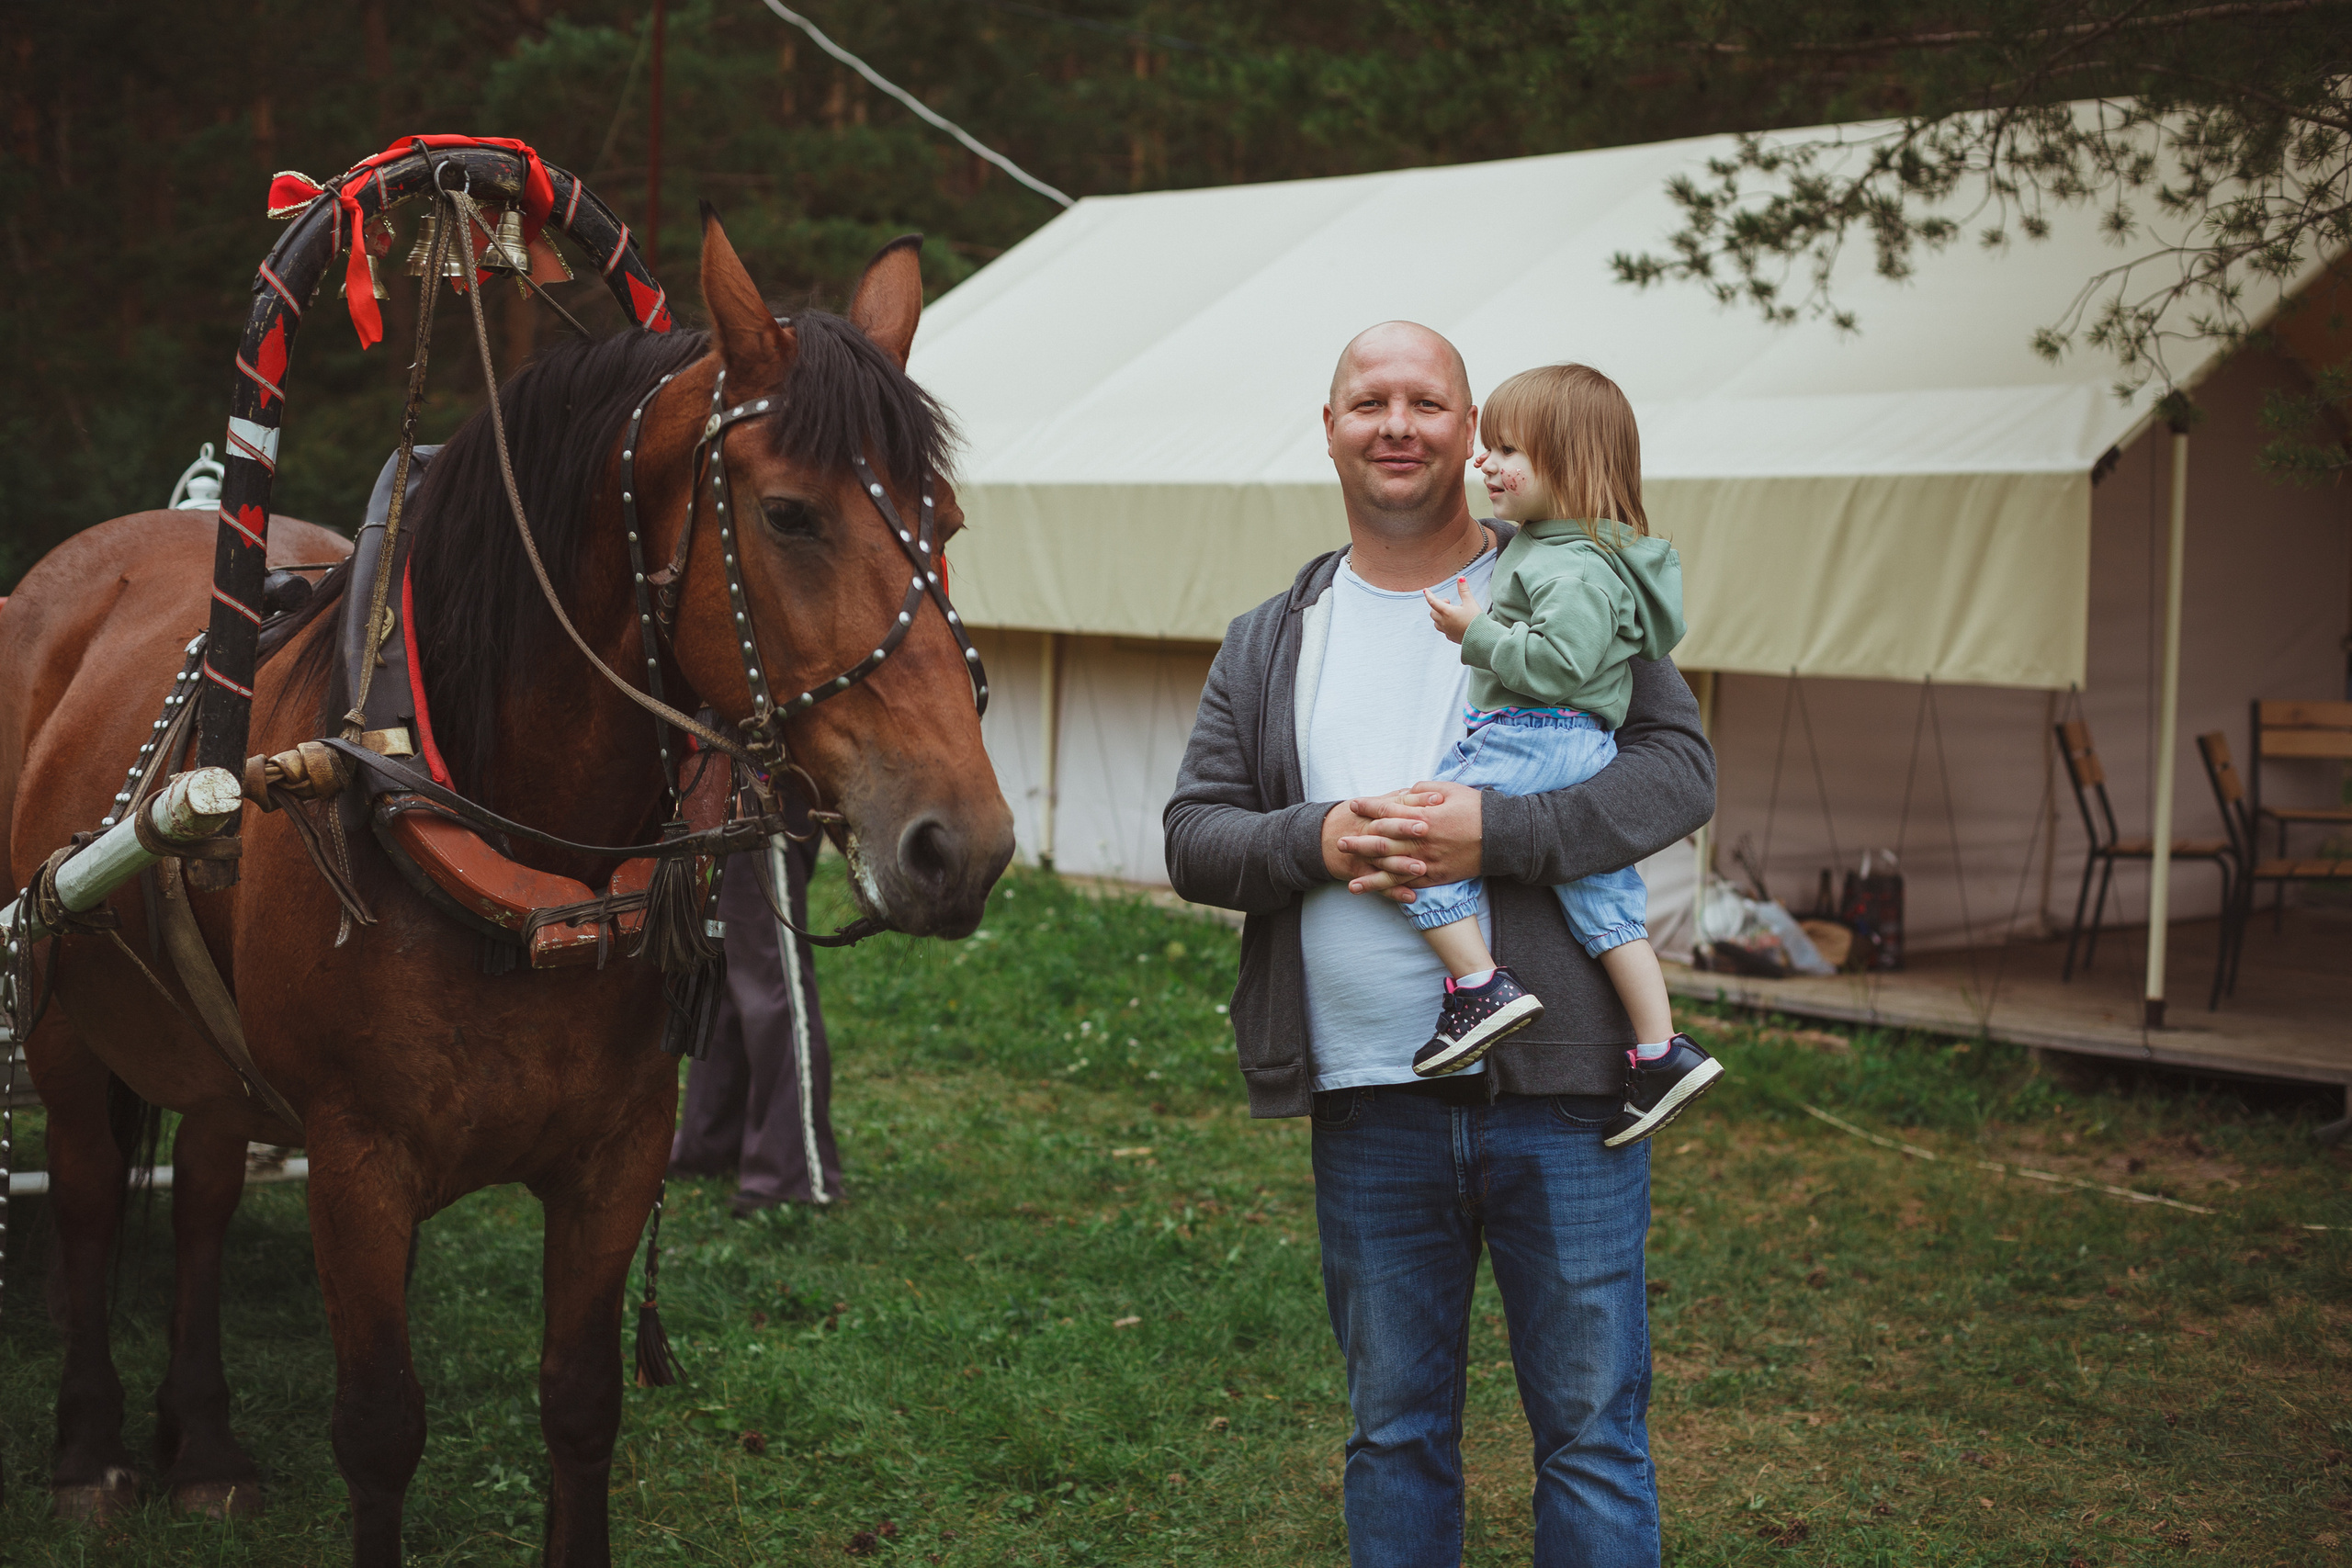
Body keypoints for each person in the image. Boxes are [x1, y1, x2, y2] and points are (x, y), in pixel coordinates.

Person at [1163, 321, 1715, 1568]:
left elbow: (1680, 768)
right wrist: (1318, 839)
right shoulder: (1270, 635)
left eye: (1427, 401)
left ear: (1474, 435)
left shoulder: (1574, 579)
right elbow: (1195, 835)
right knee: (1395, 1430)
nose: (1397, 424)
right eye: (1370, 401)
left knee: (1590, 1431)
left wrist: (1501, 832)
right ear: (1331, 428)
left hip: (1568, 1091)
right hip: (1368, 1093)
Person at [1396, 363, 1723, 1149]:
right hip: (1579, 746)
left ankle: (1479, 988)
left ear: (1572, 465)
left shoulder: (1566, 563)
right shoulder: (1573, 551)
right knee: (1607, 910)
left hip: (1536, 730)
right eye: (1490, 446)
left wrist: (1475, 632)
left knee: (1412, 838)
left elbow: (1560, 665)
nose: (1487, 463)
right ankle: (1658, 1050)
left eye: (1511, 449)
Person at [669, 823, 843, 1216]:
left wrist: (760, 784)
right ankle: (712, 1142)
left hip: (764, 801)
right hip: (720, 795)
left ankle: (792, 1171)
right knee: (726, 967)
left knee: (772, 980)